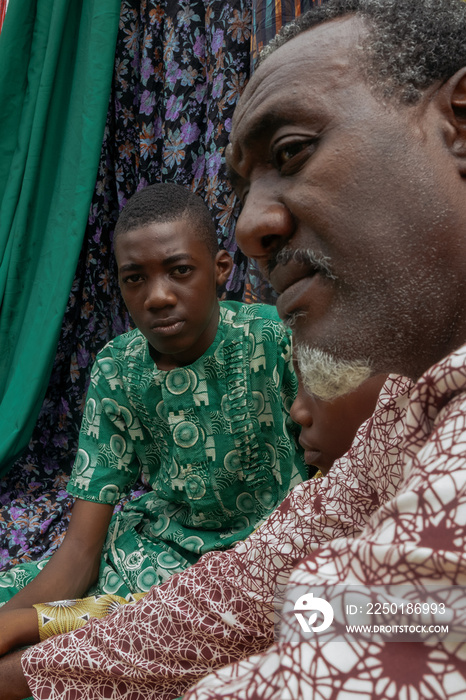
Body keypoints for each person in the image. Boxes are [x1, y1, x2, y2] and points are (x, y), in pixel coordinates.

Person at [3, 0, 466, 697]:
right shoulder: (409, 419)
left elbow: (361, 638)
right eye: (135, 280)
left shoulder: (278, 341)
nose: (253, 224)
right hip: (163, 576)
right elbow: (236, 595)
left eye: (291, 152)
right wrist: (30, 637)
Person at [0, 183, 310, 653]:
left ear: (221, 269)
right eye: (134, 278)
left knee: (119, 647)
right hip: (150, 556)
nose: (158, 296)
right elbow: (82, 551)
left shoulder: (273, 340)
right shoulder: (117, 369)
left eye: (180, 271)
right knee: (18, 603)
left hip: (261, 562)